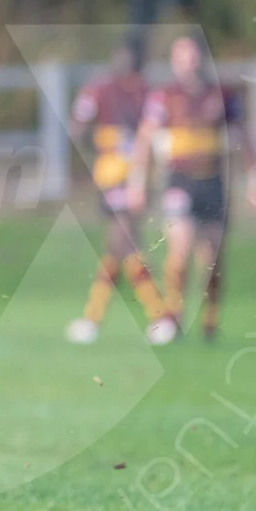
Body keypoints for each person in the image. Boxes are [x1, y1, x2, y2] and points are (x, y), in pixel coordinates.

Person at [128, 36, 256, 343]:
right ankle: (173, 316)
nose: (188, 62)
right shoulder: (165, 96)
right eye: (182, 57)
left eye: (193, 56)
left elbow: (246, 136)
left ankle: (210, 321)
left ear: (202, 59)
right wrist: (137, 182)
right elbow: (144, 138)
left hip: (213, 183)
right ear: (174, 62)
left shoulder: (222, 94)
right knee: (179, 249)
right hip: (180, 181)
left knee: (212, 258)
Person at [64, 38, 176, 346]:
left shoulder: (126, 91)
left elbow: (78, 126)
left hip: (127, 176)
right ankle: (95, 318)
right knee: (118, 249)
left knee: (123, 244)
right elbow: (79, 123)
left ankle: (160, 317)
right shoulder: (114, 89)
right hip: (117, 176)